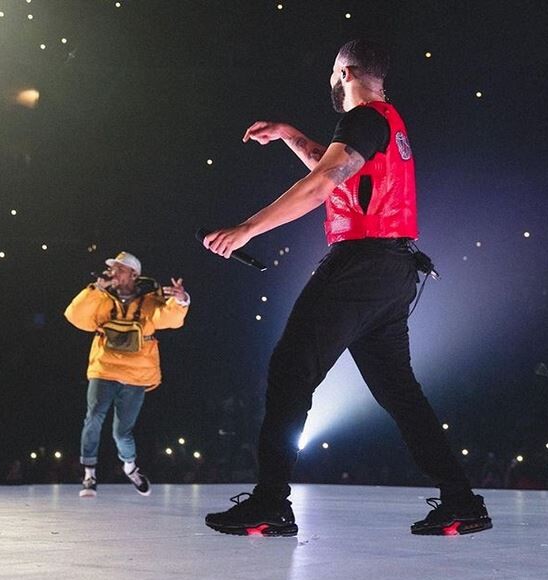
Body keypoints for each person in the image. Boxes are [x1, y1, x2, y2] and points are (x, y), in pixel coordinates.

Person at [203, 39, 492, 536]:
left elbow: (321, 184)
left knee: (291, 370)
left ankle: (271, 502)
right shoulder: (384, 122)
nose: (331, 82)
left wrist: (246, 230)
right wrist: (291, 134)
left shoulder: (363, 119)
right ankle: (462, 501)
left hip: (361, 267)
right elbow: (331, 167)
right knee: (400, 394)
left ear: (347, 71)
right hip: (394, 272)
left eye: (334, 73)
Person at [65, 251, 190, 497]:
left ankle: (130, 467)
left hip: (136, 374)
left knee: (121, 431)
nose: (113, 272)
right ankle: (89, 474)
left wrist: (181, 299)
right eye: (113, 268)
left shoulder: (150, 300)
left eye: (119, 269)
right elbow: (75, 316)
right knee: (93, 418)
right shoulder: (102, 297)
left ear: (134, 274)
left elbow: (169, 319)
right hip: (104, 368)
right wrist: (93, 290)